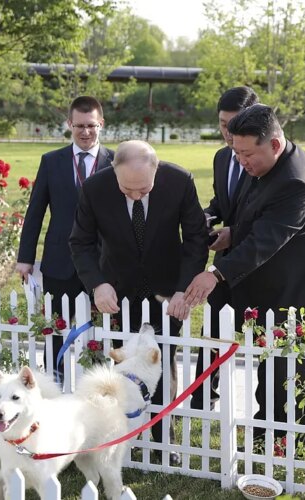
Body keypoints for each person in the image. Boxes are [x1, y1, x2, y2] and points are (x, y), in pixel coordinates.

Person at [183, 104, 305, 440]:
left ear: (274, 144)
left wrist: (215, 273)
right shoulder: (262, 165)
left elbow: (266, 241)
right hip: (272, 288)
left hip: (302, 292)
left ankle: (290, 445)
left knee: (291, 380)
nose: (241, 161)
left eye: (246, 154)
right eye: (236, 153)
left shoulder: (295, 182)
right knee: (271, 372)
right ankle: (266, 436)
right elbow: (252, 218)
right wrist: (230, 233)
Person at [70, 140, 208, 464]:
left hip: (167, 292)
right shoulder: (94, 188)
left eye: (143, 189)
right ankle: (123, 436)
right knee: (124, 366)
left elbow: (195, 240)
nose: (135, 195)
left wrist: (182, 289)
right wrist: (98, 285)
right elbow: (81, 242)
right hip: (118, 292)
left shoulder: (180, 181)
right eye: (127, 189)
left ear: (156, 170)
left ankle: (164, 442)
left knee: (162, 361)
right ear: (113, 172)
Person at [16, 96, 114, 378]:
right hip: (59, 262)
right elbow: (35, 211)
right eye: (79, 126)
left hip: (101, 263)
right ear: (69, 124)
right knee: (55, 329)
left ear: (101, 124)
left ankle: (96, 385)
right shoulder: (51, 162)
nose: (85, 132)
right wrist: (25, 258)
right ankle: (55, 383)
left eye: (91, 126)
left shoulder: (116, 160)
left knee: (97, 329)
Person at [192, 86, 259, 412]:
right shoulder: (221, 157)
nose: (229, 134)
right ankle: (203, 399)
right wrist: (207, 215)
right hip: (224, 262)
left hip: (261, 263)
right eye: (223, 124)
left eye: (236, 125)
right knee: (211, 335)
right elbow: (224, 202)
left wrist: (235, 234)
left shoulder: (264, 159)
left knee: (263, 341)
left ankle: (266, 412)